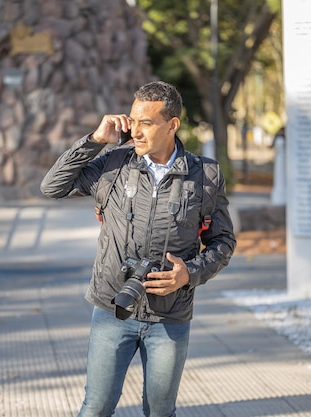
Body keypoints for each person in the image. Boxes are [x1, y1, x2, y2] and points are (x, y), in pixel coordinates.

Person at [40, 81, 236, 417]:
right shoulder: (112, 165)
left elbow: (223, 242)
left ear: (172, 124)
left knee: (160, 410)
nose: (136, 131)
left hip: (170, 315)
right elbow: (52, 187)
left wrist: (190, 274)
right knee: (96, 407)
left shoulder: (205, 175)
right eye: (133, 121)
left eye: (146, 123)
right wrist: (95, 141)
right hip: (112, 306)